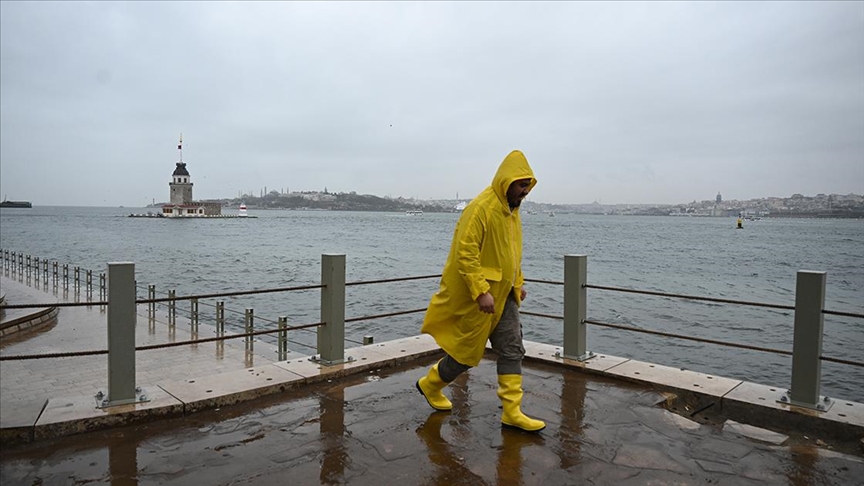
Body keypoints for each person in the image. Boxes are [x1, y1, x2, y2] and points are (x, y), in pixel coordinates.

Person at [416, 149, 545, 433]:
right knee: (466, 354)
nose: (525, 191)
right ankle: (431, 384)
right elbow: (466, 253)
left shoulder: (513, 213)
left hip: (505, 296)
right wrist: (479, 291)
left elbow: (512, 254)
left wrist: (518, 283)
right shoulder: (480, 208)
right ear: (506, 181)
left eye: (528, 185)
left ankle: (512, 411)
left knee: (512, 348)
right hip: (482, 299)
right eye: (521, 185)